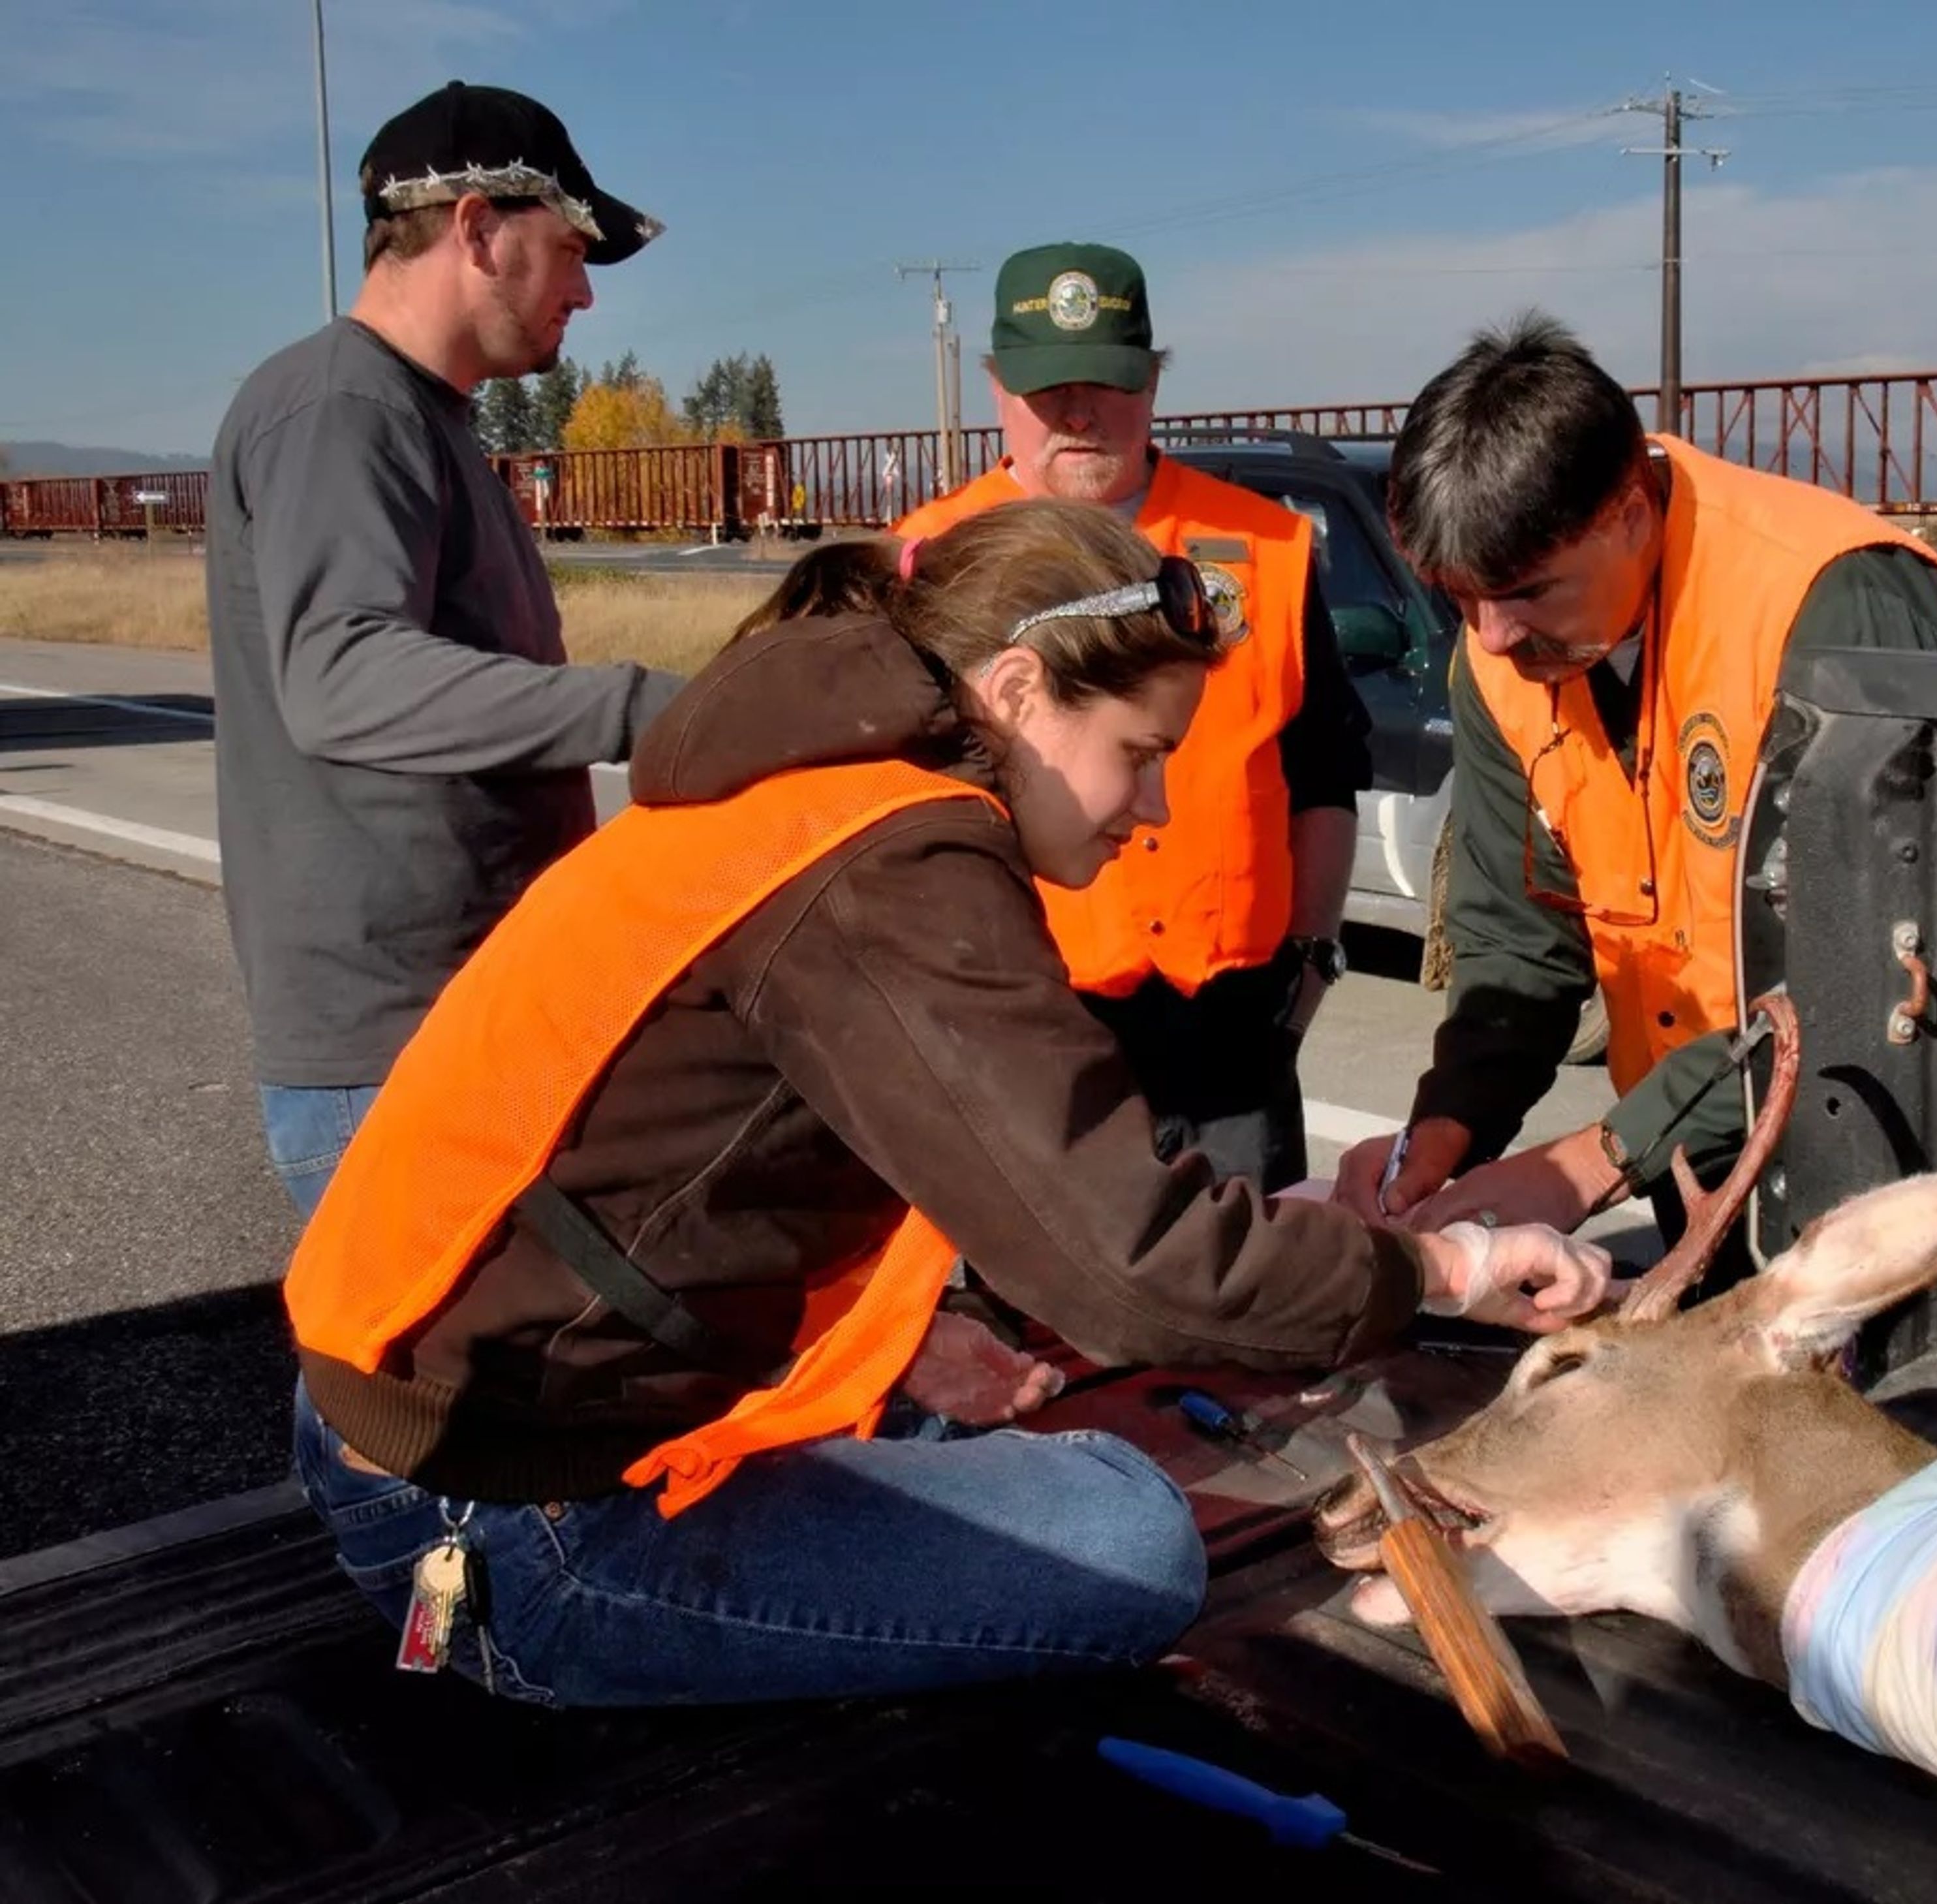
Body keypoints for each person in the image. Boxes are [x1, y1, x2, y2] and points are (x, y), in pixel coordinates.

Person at [283, 498, 1614, 1709]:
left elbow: (700, 1171)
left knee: (1004, 1432)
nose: (1153, 809)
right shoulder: (900, 862)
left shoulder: (813, 788)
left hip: (427, 1432)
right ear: (1020, 688)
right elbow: (1131, 1261)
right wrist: (1446, 1263)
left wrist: (923, 1338)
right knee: (1130, 1537)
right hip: (519, 1523)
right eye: (1141, 753)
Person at [1333, 315, 1937, 1264]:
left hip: (1859, 1161)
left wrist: (1595, 1160)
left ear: (1631, 512)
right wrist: (1444, 1131)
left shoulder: (1828, 602)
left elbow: (1858, 963)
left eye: (1528, 593)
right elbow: (1518, 941)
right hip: (1691, 1171)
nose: (1492, 637)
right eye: (1458, 598)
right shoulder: (1498, 656)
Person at [206, 81, 680, 1218]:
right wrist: (634, 708)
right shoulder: (343, 410)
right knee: (417, 1391)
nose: (582, 291)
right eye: (571, 250)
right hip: (397, 1043)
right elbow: (341, 677)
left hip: (461, 1013)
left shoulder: (419, 416)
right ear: (476, 229)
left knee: (460, 1384)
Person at [890, 242, 1371, 1195]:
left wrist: (1309, 965)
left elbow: (1323, 770)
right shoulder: (932, 559)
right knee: (1036, 1328)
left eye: (1107, 384)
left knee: (1249, 1315)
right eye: (1047, 388)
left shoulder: (1271, 548)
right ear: (995, 387)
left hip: (1232, 1038)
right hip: (1023, 1028)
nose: (1078, 412)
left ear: (1154, 380)